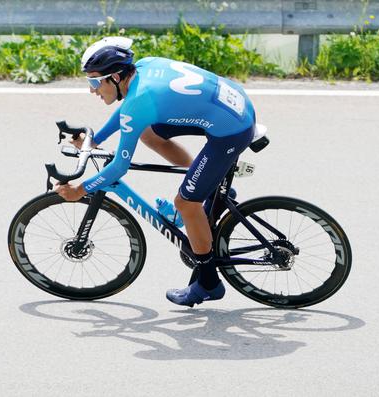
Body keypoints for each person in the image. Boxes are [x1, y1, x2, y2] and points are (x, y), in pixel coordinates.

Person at [54, 37, 257, 307]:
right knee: (149, 134)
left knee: (185, 203)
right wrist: (98, 139)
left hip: (232, 130)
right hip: (235, 104)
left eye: (94, 82)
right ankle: (209, 183)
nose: (92, 90)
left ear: (114, 77)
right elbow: (131, 112)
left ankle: (209, 283)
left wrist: (79, 190)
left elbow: (118, 168)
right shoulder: (144, 67)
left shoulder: (138, 101)